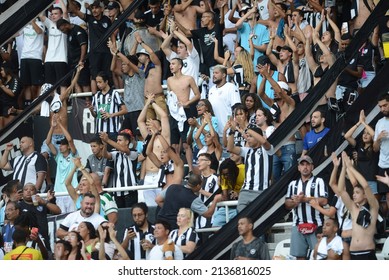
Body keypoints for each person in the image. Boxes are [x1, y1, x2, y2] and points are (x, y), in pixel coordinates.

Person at [284, 155, 328, 260]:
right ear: (298, 168)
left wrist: (306, 199)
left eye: (308, 164)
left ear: (312, 167)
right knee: (300, 258)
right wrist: (296, 201)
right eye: (302, 164)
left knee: (320, 256)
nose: (305, 167)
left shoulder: (319, 181)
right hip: (298, 225)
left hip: (316, 224)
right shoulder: (293, 184)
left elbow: (324, 200)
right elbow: (287, 204)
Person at [338, 151, 379, 260]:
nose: (354, 195)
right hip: (354, 253)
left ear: (365, 195)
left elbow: (365, 185)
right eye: (353, 193)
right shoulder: (353, 209)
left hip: (368, 252)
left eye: (357, 193)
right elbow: (341, 191)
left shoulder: (374, 207)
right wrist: (343, 168)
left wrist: (351, 168)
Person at [227, 125, 274, 213]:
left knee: (258, 219)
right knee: (241, 219)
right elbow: (230, 148)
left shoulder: (268, 150)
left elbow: (264, 141)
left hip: (261, 191)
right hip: (245, 191)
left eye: (250, 136)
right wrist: (231, 131)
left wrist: (246, 129)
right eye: (247, 137)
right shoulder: (247, 151)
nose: (247, 139)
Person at [156, 173, 222, 230]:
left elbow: (158, 200)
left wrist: (168, 209)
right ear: (198, 185)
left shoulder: (172, 187)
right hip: (175, 227)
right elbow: (208, 214)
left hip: (160, 223)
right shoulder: (193, 199)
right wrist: (215, 200)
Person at [166, 57, 200, 166]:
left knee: (186, 143)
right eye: (170, 64)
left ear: (180, 66)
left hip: (185, 111)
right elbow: (170, 95)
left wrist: (187, 103)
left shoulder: (188, 78)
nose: (171, 66)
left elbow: (197, 95)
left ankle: (190, 169)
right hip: (174, 113)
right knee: (174, 144)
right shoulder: (169, 80)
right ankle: (177, 167)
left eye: (173, 63)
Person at [108, 41, 145, 133]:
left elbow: (128, 62)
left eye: (123, 64)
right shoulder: (125, 76)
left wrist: (117, 52)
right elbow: (112, 69)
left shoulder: (140, 74)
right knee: (123, 134)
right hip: (129, 110)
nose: (122, 66)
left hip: (138, 110)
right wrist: (114, 55)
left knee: (138, 135)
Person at [45, 115, 79, 213]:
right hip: (59, 193)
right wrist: (53, 126)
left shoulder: (74, 154)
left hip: (71, 192)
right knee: (62, 219)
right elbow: (48, 142)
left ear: (68, 147)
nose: (60, 147)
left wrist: (60, 123)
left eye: (63, 145)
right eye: (60, 145)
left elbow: (69, 140)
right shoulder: (58, 156)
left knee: (73, 217)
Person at [100, 130, 138, 208]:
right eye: (117, 140)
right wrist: (105, 144)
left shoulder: (133, 152)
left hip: (130, 190)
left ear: (127, 142)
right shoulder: (115, 153)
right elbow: (105, 155)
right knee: (121, 215)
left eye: (120, 140)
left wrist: (108, 140)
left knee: (130, 214)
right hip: (117, 191)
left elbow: (124, 150)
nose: (117, 142)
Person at [344, 110, 379, 198]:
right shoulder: (359, 145)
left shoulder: (375, 147)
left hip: (371, 181)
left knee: (373, 208)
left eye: (368, 134)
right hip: (360, 181)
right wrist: (359, 123)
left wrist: (364, 123)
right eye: (364, 133)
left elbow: (375, 135)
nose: (365, 135)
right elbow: (347, 136)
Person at [89, 71, 128, 144]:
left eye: (100, 82)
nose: (98, 84)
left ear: (106, 82)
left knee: (111, 153)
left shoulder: (114, 94)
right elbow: (95, 116)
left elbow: (125, 110)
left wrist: (111, 115)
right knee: (100, 154)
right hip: (99, 131)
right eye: (97, 82)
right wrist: (91, 110)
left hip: (112, 131)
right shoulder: (96, 96)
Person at [207, 65, 241, 139]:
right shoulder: (211, 90)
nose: (213, 75)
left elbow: (237, 108)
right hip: (215, 132)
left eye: (216, 73)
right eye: (213, 73)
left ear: (223, 75)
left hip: (228, 131)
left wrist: (233, 126)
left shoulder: (231, 87)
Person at [212, 155, 245, 227]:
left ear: (234, 171)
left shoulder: (245, 170)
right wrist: (230, 192)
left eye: (227, 174)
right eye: (224, 174)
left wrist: (239, 195)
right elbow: (226, 197)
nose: (226, 176)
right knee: (216, 225)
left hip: (244, 202)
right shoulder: (223, 177)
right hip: (231, 205)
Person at [373, 93, 389, 213]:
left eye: (385, 105)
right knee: (387, 197)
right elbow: (375, 149)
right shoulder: (379, 123)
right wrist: (378, 138)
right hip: (383, 165)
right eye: (380, 106)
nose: (383, 108)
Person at [0, 63, 22, 129]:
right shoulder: (4, 81)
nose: (1, 72)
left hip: (10, 108)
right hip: (2, 107)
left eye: (2, 70)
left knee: (7, 131)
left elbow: (13, 93)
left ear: (7, 70)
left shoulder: (15, 80)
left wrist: (2, 86)